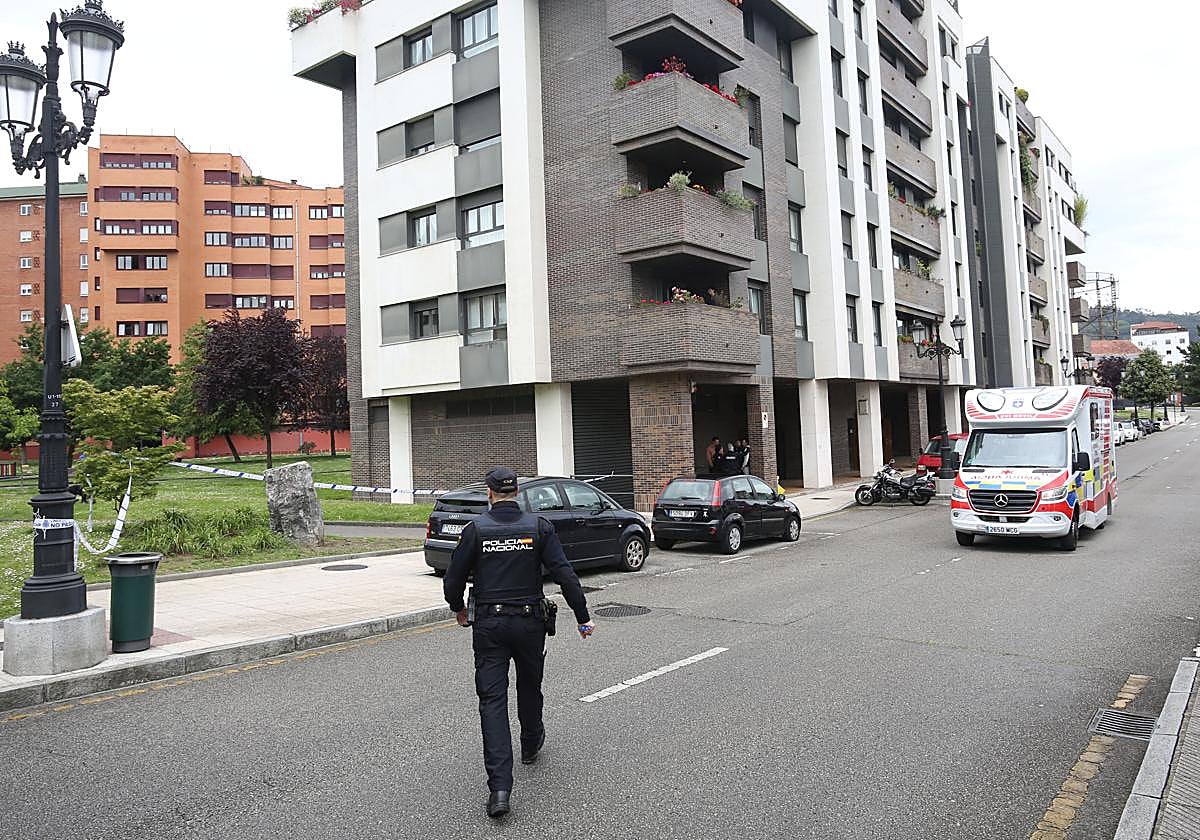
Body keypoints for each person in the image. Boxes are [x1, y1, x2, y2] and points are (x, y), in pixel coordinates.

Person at [444, 466, 595, 819]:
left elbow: (453, 580)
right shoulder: (539, 528)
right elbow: (564, 573)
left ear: (489, 493)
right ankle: (530, 744)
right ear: (518, 493)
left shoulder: (476, 530)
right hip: (530, 624)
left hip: (490, 626)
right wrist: (582, 616)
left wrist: (459, 607)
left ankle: (499, 789)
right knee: (530, 685)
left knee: (492, 702)